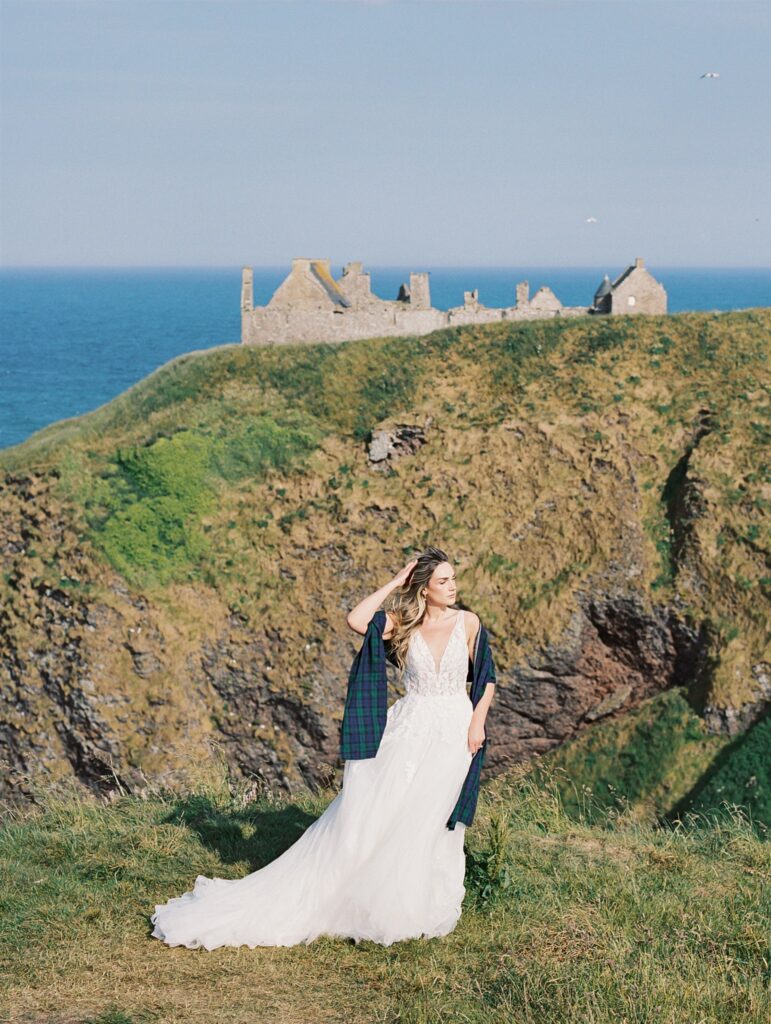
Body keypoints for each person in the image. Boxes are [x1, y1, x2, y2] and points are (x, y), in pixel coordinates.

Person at [150, 546, 497, 949]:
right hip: (409, 728)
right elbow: (356, 619)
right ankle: (369, 897)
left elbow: (486, 677)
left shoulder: (468, 622)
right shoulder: (403, 624)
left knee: (433, 814)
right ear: (423, 589)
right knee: (382, 810)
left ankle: (419, 901)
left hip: (455, 729)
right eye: (443, 581)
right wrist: (395, 582)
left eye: (454, 579)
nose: (453, 587)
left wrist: (477, 721)